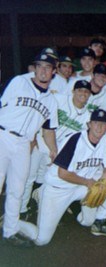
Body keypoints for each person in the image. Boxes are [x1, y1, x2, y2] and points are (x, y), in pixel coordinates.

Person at [18, 109, 106, 246]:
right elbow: (63, 174)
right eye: (96, 122)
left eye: (103, 124)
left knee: (90, 218)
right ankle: (14, 221)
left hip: (80, 186)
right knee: (41, 240)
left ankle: (78, 210)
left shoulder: (105, 141)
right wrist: (87, 182)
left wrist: (104, 177)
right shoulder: (75, 139)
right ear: (89, 124)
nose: (99, 127)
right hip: (58, 188)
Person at [0, 53, 59, 247]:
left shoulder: (51, 101)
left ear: (53, 72)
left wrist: (53, 151)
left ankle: (9, 231)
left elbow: (48, 131)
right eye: (39, 66)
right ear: (34, 67)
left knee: (17, 189)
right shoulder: (18, 82)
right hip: (3, 135)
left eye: (47, 67)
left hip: (23, 145)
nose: (42, 70)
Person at [20, 80, 92, 219]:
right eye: (80, 90)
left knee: (47, 181)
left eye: (86, 91)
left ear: (89, 95)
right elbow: (37, 113)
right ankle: (21, 210)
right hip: (41, 141)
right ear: (73, 91)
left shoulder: (87, 116)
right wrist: (32, 135)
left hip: (57, 152)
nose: (83, 93)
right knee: (28, 177)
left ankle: (38, 205)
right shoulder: (57, 99)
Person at [71, 48, 106, 118]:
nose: (87, 62)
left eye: (90, 59)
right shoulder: (74, 77)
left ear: (94, 61)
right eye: (84, 59)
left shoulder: (105, 77)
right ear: (80, 61)